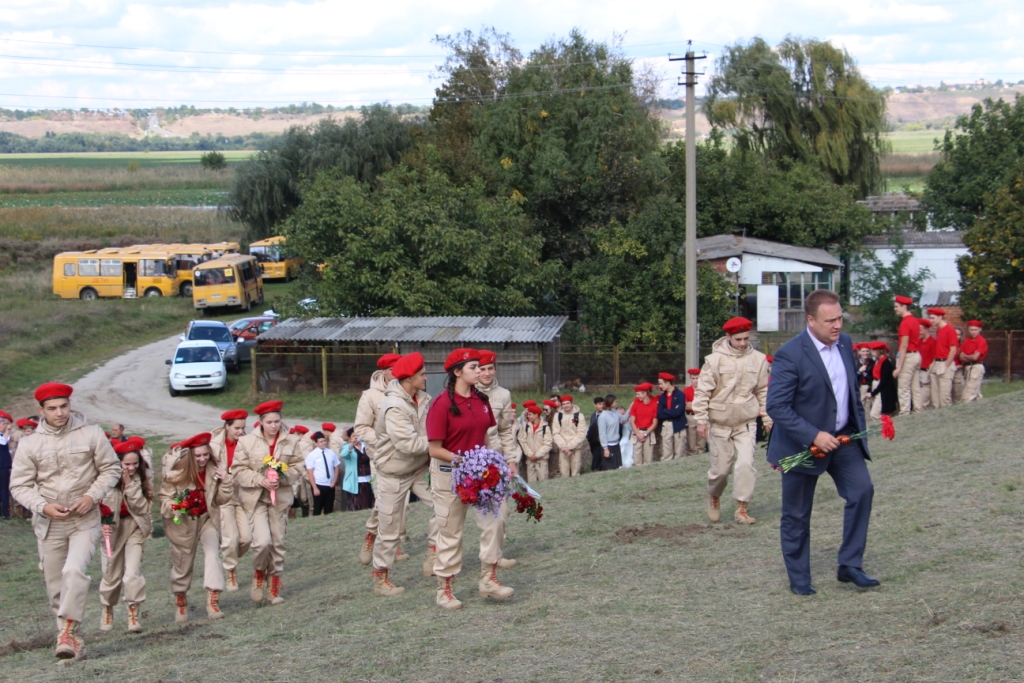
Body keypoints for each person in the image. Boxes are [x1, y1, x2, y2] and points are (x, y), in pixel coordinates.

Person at [766, 290, 879, 596]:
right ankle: (800, 578)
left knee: (862, 490)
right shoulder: (790, 354)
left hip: (844, 439)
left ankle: (849, 564)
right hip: (802, 446)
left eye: (840, 317)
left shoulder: (845, 343)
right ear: (811, 320)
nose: (837, 325)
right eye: (830, 320)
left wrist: (856, 426)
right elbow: (777, 406)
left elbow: (848, 390)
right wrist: (813, 435)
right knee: (797, 515)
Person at [10, 382, 121, 660]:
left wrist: (92, 496)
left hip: (84, 519)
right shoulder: (29, 443)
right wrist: (43, 506)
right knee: (55, 586)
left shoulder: (92, 434)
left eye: (64, 406)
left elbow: (111, 468)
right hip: (49, 524)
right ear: (41, 410)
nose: (59, 413)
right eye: (52, 409)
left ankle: (69, 633)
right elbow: (19, 486)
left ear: (70, 405)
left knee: (74, 571)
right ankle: (69, 639)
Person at [426, 348, 513, 610]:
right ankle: (445, 590)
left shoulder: (481, 400)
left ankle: (488, 579)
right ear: (457, 372)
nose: (480, 371)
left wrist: (489, 460)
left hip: (480, 474)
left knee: (495, 521)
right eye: (474, 367)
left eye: (480, 366)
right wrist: (463, 462)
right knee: (451, 533)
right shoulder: (441, 404)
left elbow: (484, 435)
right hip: (449, 476)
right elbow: (434, 449)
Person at [370, 352, 439, 595]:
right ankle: (381, 579)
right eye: (422, 374)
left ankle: (433, 558)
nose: (426, 378)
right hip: (393, 474)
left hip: (420, 470)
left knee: (444, 507)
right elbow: (407, 445)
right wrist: (440, 441)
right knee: (389, 530)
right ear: (409, 378)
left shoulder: (425, 398)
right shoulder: (394, 406)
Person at [693, 317, 771, 525]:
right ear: (728, 337)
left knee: (746, 465)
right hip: (719, 424)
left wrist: (767, 416)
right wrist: (701, 419)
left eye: (746, 338)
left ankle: (741, 508)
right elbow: (702, 392)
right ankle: (715, 495)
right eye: (738, 339)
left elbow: (763, 390)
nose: (743, 343)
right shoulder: (714, 360)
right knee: (721, 471)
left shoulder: (759, 359)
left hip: (746, 423)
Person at [232, 401, 304, 606]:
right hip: (255, 498)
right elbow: (238, 470)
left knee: (278, 542)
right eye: (269, 422)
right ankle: (258, 574)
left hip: (280, 498)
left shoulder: (291, 441)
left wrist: (283, 477)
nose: (274, 426)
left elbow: (298, 466)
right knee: (262, 542)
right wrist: (259, 479)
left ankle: (274, 583)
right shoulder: (246, 442)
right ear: (260, 422)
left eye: (277, 421)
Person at [160, 432, 230, 622]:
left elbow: (222, 499)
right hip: (183, 525)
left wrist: (226, 481)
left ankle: (213, 601)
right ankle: (181, 601)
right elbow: (164, 498)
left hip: (207, 519)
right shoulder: (176, 474)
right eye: (198, 456)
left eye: (205, 455)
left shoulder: (215, 470)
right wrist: (174, 507)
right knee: (183, 566)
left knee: (212, 555)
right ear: (190, 455)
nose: (202, 459)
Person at [98, 436, 154, 633]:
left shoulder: (144, 477)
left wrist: (130, 484)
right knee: (111, 575)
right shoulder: (104, 478)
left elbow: (142, 507)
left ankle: (133, 613)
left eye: (134, 463)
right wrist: (99, 525)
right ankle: (107, 607)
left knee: (132, 573)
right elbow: (93, 506)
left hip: (135, 526)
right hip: (111, 529)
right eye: (126, 464)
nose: (130, 468)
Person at [354, 352, 402, 566]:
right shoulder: (370, 396)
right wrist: (384, 440)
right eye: (392, 370)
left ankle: (394, 542)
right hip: (381, 457)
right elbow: (362, 427)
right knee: (384, 499)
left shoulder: (409, 391)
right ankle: (371, 534)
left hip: (405, 456)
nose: (396, 373)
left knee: (402, 504)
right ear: (383, 371)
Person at [475, 349, 518, 568]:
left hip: (496, 459)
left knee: (502, 511)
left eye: (490, 368)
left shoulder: (503, 395)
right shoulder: (466, 392)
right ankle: (435, 557)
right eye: (481, 369)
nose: (486, 373)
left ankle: (495, 555)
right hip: (470, 460)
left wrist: (511, 460)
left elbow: (505, 430)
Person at [209, 409, 250, 592]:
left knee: (247, 538)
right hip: (224, 496)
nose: (240, 431)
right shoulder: (215, 446)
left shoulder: (248, 443)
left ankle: (230, 556)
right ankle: (230, 571)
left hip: (242, 495)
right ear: (227, 427)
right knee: (231, 537)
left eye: (243, 428)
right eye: (237, 428)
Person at [892, 296, 922, 415]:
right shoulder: (914, 320)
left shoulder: (905, 323)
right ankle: (918, 410)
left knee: (903, 387)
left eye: (896, 307)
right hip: (916, 355)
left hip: (908, 356)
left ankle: (905, 412)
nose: (895, 309)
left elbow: (904, 346)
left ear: (904, 307)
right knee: (915, 387)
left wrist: (899, 367)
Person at [305, 432, 341, 516]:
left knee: (329, 507)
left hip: (330, 484)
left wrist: (334, 481)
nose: (323, 443)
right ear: (316, 443)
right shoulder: (312, 455)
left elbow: (336, 467)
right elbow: (310, 472)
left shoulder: (330, 452)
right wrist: (315, 488)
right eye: (321, 442)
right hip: (319, 484)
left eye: (324, 441)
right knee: (317, 508)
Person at [340, 428, 376, 512]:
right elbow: (343, 455)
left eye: (357, 435)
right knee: (355, 503)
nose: (356, 438)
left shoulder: (366, 446)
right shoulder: (347, 448)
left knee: (369, 502)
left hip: (368, 478)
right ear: (349, 438)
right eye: (353, 436)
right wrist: (351, 445)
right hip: (354, 480)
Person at [928, 308, 958, 408]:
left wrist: (946, 365)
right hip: (937, 362)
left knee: (944, 396)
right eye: (930, 318)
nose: (931, 320)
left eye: (933, 318)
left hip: (945, 362)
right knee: (935, 396)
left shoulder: (949, 330)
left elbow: (953, 349)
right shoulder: (939, 330)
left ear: (940, 317)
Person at [552, 394, 587, 478]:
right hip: (563, 448)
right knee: (564, 473)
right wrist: (564, 446)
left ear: (572, 403)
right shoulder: (558, 416)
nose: (566, 406)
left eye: (567, 403)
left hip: (575, 448)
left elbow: (581, 433)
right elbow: (555, 433)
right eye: (563, 404)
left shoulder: (579, 416)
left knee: (575, 472)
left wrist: (570, 446)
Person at [656, 373, 687, 462]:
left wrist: (666, 410)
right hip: (667, 424)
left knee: (679, 451)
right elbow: (660, 414)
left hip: (679, 424)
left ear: (668, 383)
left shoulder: (680, 395)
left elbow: (679, 412)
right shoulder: (662, 397)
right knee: (666, 452)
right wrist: (672, 411)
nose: (660, 386)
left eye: (661, 383)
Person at [518, 405, 553, 482]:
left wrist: (537, 455)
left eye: (530, 414)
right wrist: (530, 454)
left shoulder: (545, 427)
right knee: (531, 483)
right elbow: (523, 442)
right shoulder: (527, 426)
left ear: (536, 414)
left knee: (543, 481)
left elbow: (548, 444)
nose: (528, 416)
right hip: (530, 459)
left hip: (541, 460)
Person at [628, 383, 659, 466]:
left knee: (648, 459)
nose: (637, 396)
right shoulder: (636, 403)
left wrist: (645, 434)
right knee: (637, 457)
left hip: (648, 433)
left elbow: (655, 423)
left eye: (639, 394)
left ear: (645, 393)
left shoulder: (654, 404)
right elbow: (632, 421)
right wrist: (638, 434)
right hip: (637, 432)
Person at [959, 320, 988, 403]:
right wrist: (969, 357)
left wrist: (966, 356)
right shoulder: (967, 341)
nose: (973, 332)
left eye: (975, 330)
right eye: (971, 330)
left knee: (969, 392)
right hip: (968, 367)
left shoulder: (981, 341)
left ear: (980, 330)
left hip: (977, 366)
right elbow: (961, 356)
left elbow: (975, 357)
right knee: (976, 392)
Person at [868, 342, 897, 419]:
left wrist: (873, 393)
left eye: (873, 350)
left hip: (882, 388)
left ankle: (886, 424)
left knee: (874, 414)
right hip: (876, 384)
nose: (872, 352)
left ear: (879, 351)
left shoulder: (886, 362)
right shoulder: (876, 361)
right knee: (876, 411)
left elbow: (884, 380)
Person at [290, 425, 313, 518]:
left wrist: (307, 477)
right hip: (307, 474)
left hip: (304, 475)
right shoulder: (309, 442)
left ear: (299, 434)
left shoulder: (302, 445)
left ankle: (307, 517)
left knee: (305, 499)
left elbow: (304, 463)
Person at [597, 394, 625, 470]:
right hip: (609, 445)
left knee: (617, 466)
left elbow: (623, 418)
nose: (616, 403)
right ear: (610, 402)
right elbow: (602, 434)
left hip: (616, 444)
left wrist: (632, 407)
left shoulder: (614, 411)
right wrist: (605, 448)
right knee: (609, 467)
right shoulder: (602, 416)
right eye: (615, 402)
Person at [683, 368, 705, 455]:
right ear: (690, 379)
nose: (695, 381)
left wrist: (692, 405)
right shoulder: (686, 391)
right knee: (691, 443)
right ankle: (692, 456)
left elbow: (706, 405)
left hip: (702, 417)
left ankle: (701, 455)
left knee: (702, 442)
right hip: (691, 417)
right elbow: (686, 407)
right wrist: (698, 405)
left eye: (697, 378)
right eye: (693, 378)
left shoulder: (704, 390)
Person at [917, 320, 935, 411]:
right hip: (919, 371)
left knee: (924, 399)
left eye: (920, 330)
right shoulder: (918, 342)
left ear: (927, 329)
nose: (918, 332)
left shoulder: (933, 342)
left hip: (927, 371)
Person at [855, 344, 875, 418]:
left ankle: (868, 420)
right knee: (860, 404)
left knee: (868, 405)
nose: (865, 353)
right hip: (860, 386)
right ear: (859, 352)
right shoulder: (855, 363)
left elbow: (873, 377)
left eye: (867, 351)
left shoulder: (872, 362)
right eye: (863, 351)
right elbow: (854, 377)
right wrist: (860, 372)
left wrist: (865, 374)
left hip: (869, 385)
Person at [586, 396, 606, 473]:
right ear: (595, 405)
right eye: (599, 404)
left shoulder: (606, 414)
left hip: (603, 441)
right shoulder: (593, 415)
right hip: (594, 442)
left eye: (603, 404)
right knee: (596, 460)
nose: (601, 406)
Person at [0, 410, 13, 520]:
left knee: (4, 489)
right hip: (1, 465)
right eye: (3, 424)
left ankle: (5, 512)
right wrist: (7, 431)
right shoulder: (3, 436)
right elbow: (3, 442)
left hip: (3, 466)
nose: (5, 426)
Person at [951, 327, 966, 404]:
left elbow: (965, 360)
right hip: (948, 370)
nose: (957, 337)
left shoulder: (962, 346)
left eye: (958, 335)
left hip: (957, 370)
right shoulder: (948, 346)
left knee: (958, 392)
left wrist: (961, 365)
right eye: (955, 334)